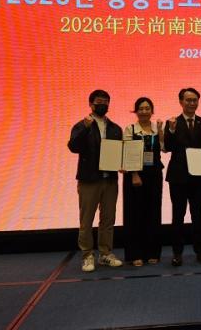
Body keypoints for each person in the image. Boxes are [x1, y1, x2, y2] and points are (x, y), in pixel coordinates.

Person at [68, 89, 123, 272]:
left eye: (106, 102)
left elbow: (120, 151)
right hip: (89, 180)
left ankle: (105, 254)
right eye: (99, 101)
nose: (103, 104)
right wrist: (85, 127)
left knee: (108, 219)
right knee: (86, 220)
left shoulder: (115, 128)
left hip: (110, 180)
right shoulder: (82, 125)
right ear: (91, 104)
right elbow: (73, 147)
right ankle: (87, 255)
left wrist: (123, 163)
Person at [164, 88, 201, 266]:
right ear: (181, 102)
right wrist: (171, 130)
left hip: (198, 177)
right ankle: (177, 253)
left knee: (198, 214)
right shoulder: (172, 123)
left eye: (194, 100)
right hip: (178, 176)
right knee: (178, 215)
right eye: (188, 100)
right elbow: (168, 147)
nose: (192, 103)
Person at [123, 97, 164, 267]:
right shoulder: (130, 129)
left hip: (154, 175)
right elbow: (127, 154)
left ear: (152, 111)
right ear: (136, 111)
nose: (144, 111)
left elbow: (164, 148)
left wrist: (161, 132)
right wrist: (134, 174)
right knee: (135, 214)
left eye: (147, 108)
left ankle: (152, 252)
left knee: (153, 212)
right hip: (135, 176)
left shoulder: (157, 128)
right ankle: (136, 254)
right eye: (141, 108)